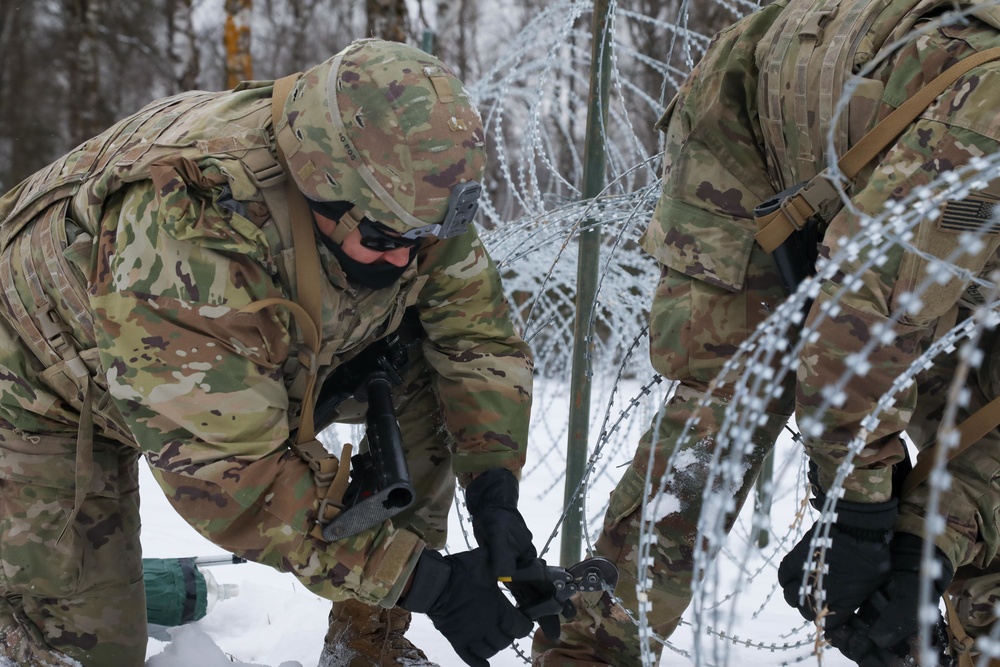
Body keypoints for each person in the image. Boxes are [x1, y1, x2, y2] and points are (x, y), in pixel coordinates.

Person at [0, 38, 543, 667]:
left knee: (427, 369)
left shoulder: (401, 196)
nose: (406, 257)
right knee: (92, 653)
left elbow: (476, 338)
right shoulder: (192, 235)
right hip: (38, 390)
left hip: (212, 362)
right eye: (384, 239)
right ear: (320, 187)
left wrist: (494, 490)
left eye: (424, 239)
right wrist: (434, 586)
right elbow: (237, 483)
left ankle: (369, 639)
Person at [533, 0, 1000, 665]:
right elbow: (861, 316)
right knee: (729, 402)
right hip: (755, 124)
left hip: (899, 179)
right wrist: (861, 513)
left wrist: (926, 545)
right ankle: (591, 647)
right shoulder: (989, 137)